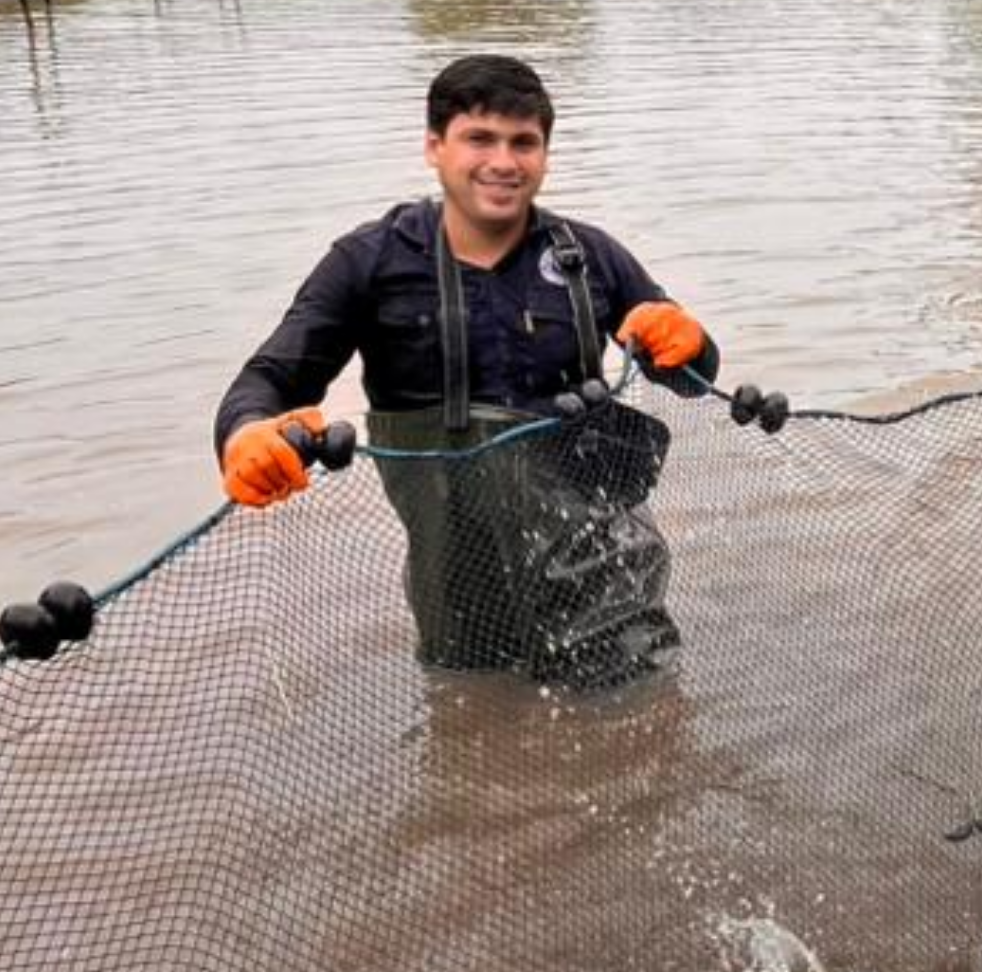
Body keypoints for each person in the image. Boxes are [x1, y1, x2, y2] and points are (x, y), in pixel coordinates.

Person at [214, 54, 719, 689]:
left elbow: (690, 377)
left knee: (639, 705)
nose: (503, 162)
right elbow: (268, 380)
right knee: (468, 699)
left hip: (601, 562)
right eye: (480, 138)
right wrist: (244, 436)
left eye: (523, 142)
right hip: (457, 577)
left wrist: (692, 344)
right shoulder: (368, 262)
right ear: (435, 146)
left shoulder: (590, 255)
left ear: (544, 155)